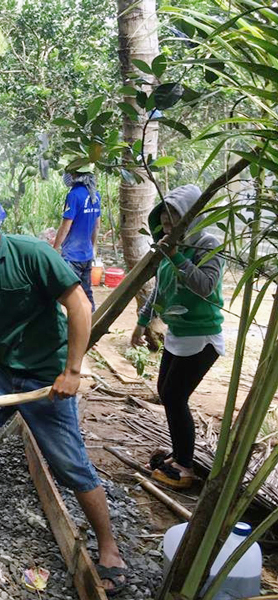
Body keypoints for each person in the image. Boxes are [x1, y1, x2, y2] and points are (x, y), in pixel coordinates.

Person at [0, 185, 128, 594]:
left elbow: (79, 306)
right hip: (1, 368)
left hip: (47, 373)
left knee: (70, 464)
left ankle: (108, 546)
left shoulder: (31, 253)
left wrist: (72, 370)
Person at [131, 184, 224, 490]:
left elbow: (205, 286)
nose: (170, 228)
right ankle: (179, 454)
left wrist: (179, 256)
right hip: (178, 334)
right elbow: (159, 288)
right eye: (166, 222)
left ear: (192, 218)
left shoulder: (206, 244)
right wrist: (142, 322)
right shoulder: (170, 246)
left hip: (201, 337)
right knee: (166, 391)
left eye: (176, 220)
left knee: (175, 395)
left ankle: (184, 463)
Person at [52, 164, 101, 311]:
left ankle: (61, 326)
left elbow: (66, 226)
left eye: (70, 173)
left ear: (75, 175)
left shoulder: (73, 195)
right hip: (86, 255)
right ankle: (92, 324)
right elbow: (96, 226)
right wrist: (92, 247)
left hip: (71, 256)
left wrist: (54, 249)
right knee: (86, 292)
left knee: (63, 292)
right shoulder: (95, 195)